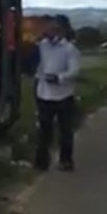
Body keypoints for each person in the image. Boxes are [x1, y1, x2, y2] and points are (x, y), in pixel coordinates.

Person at [35, 20, 81, 172]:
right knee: (44, 130)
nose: (49, 34)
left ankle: (66, 160)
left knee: (65, 130)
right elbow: (39, 64)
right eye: (48, 31)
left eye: (53, 31)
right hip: (44, 94)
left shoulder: (69, 49)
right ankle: (41, 162)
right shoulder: (42, 46)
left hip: (64, 95)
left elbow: (74, 71)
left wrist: (59, 77)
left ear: (60, 32)